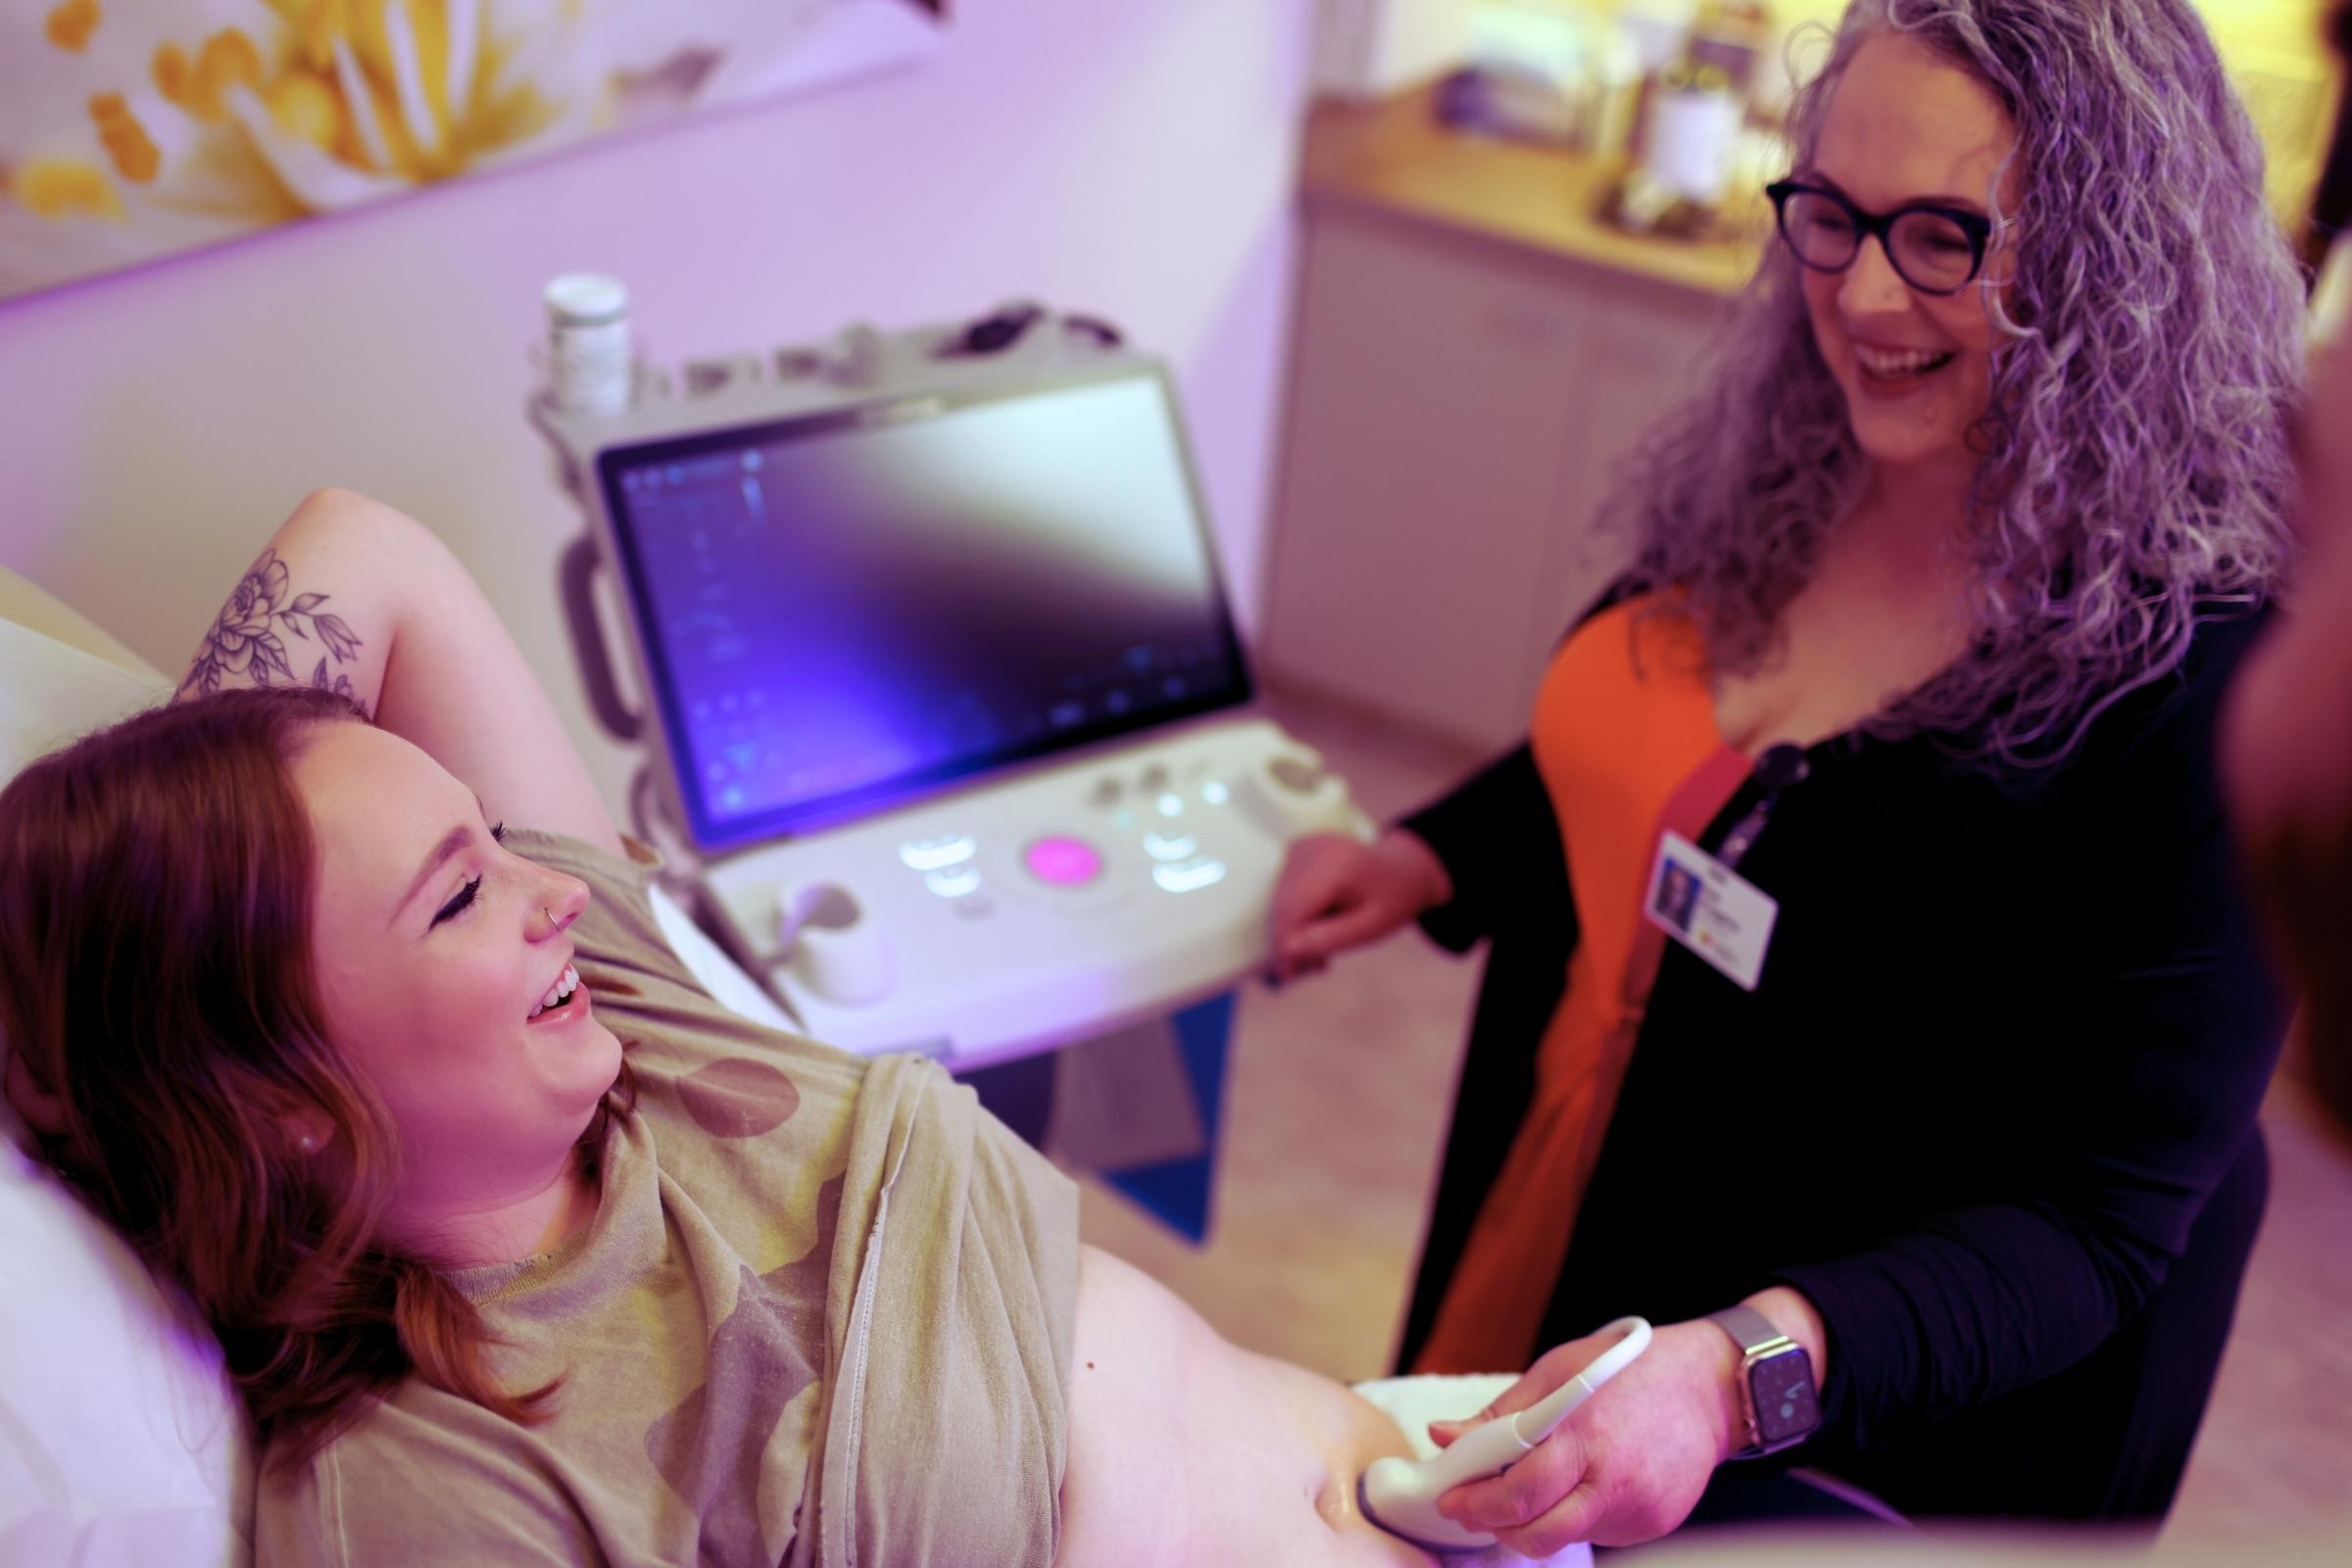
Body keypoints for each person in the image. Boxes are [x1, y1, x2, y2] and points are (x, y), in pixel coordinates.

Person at [1270, 0, 2306, 1553]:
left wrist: (1734, 1373)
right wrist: (1436, 854)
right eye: (1832, 212)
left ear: (2118, 259)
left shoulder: (2212, 678)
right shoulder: (1796, 458)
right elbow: (1677, 753)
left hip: (1868, 1393)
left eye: (1946, 235)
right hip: (1591, 1200)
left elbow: (2090, 1223)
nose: (1863, 292)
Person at [0, 488, 1451, 1567]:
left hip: (1443, 1488)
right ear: (282, 1091)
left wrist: (201, 854)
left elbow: (365, 549)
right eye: (460, 895)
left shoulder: (630, 1024)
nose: (557, 895)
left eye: (492, 840)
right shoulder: (433, 1495)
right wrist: (198, 987)